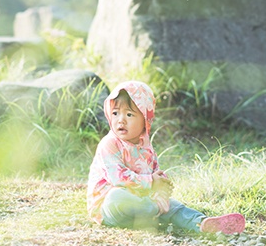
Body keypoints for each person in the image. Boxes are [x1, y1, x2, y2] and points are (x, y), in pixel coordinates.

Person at [86, 80, 245, 235]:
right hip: (110, 210)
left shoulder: (146, 147)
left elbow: (156, 174)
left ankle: (202, 223)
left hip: (141, 206)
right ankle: (156, 212)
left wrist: (161, 188)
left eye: (129, 114)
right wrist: (151, 182)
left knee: (173, 205)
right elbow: (118, 178)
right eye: (115, 113)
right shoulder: (109, 144)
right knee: (117, 197)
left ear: (145, 120)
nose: (121, 119)